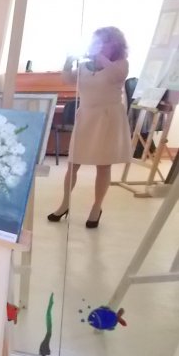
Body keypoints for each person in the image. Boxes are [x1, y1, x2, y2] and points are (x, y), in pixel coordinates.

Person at [48, 26, 131, 228]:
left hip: (107, 119)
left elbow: (117, 76)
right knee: (73, 163)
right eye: (96, 41)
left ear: (115, 45)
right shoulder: (85, 67)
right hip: (86, 117)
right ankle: (64, 204)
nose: (99, 45)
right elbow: (67, 79)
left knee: (103, 165)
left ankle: (96, 207)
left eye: (104, 42)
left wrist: (101, 57)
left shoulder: (120, 64)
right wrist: (68, 62)